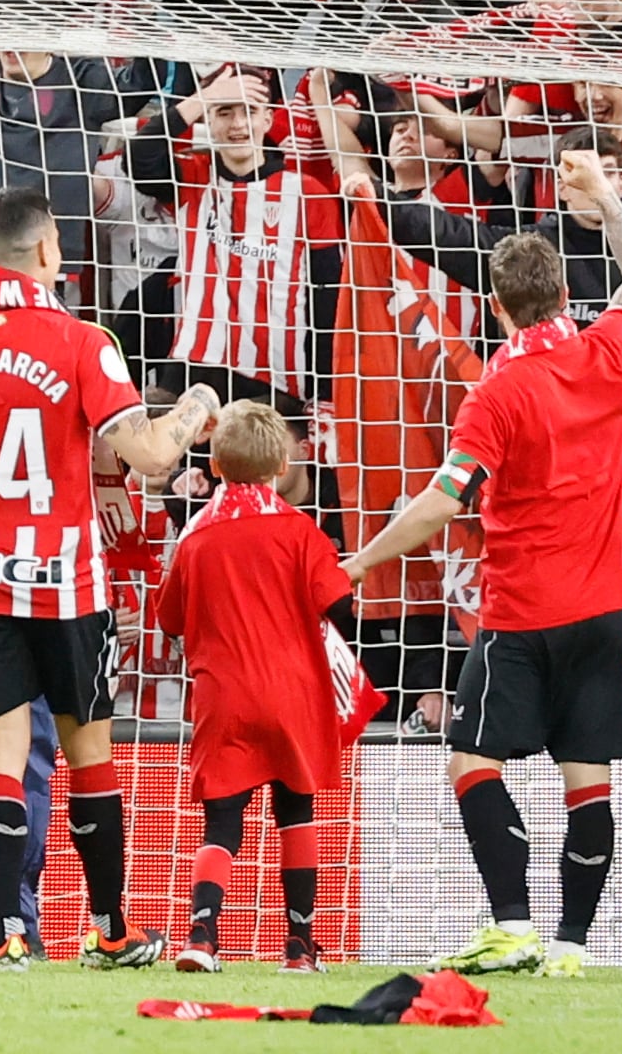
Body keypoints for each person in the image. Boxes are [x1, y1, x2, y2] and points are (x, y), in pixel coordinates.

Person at [0, 183, 223, 969]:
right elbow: (148, 456)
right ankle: (109, 931)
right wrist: (196, 403)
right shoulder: (80, 341)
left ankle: (2, 935)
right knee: (89, 759)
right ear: (44, 250)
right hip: (65, 587)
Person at [343, 150, 622, 977]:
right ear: (561, 295)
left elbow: (445, 498)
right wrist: (604, 200)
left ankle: (513, 924)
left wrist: (361, 560)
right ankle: (570, 948)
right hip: (599, 606)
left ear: (496, 306)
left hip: (519, 611)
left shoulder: (493, 390)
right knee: (586, 781)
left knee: (469, 761)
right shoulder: (606, 349)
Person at [149, 402, 351, 975]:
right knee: (297, 813)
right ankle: (300, 948)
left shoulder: (196, 537)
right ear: (283, 464)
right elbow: (339, 604)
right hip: (294, 693)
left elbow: (169, 620)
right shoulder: (300, 530)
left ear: (213, 465)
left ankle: (203, 936)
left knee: (222, 821)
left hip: (224, 695)